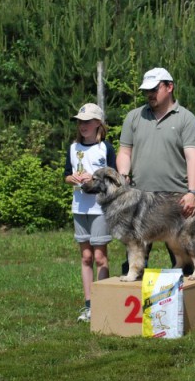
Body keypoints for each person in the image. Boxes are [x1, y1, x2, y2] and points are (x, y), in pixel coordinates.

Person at [116, 67, 195, 273]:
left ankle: (190, 302)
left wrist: (192, 192)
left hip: (175, 200)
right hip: (139, 198)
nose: (150, 94)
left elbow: (192, 158)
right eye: (147, 90)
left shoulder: (186, 118)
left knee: (184, 258)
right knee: (135, 259)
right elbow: (125, 152)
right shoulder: (134, 117)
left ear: (169, 87)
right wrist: (124, 176)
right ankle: (134, 301)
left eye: (155, 89)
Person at [63, 103, 116, 322]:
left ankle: (103, 302)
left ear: (98, 124)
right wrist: (72, 178)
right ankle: (88, 305)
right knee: (86, 257)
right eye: (80, 122)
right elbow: (66, 174)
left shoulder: (106, 148)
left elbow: (114, 176)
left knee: (99, 256)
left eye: (87, 122)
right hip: (80, 207)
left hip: (99, 208)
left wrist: (93, 178)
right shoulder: (73, 147)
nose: (82, 126)